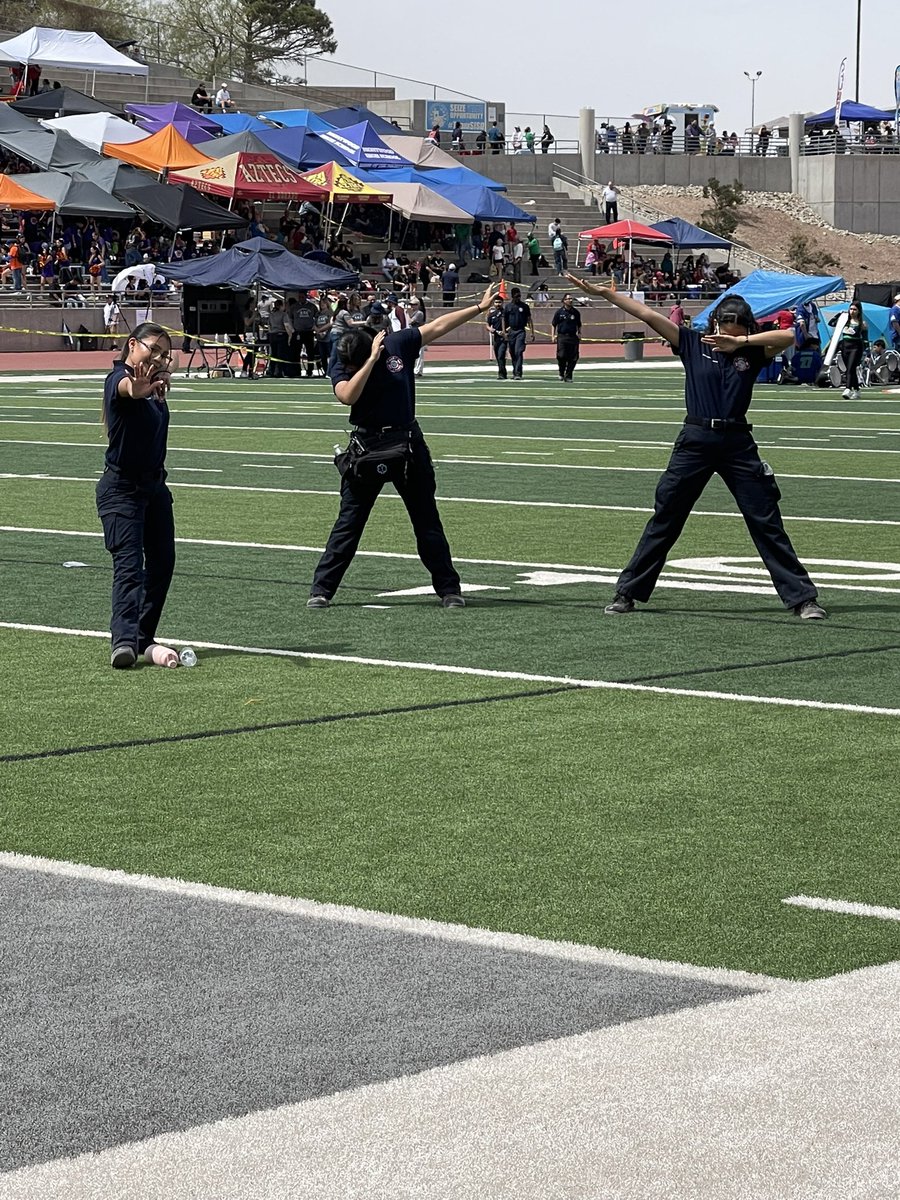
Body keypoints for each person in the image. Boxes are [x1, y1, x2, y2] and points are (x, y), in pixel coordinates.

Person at [563, 273, 826, 620]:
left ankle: (802, 598)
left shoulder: (753, 351)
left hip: (737, 442)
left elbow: (793, 335)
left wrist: (743, 342)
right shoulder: (692, 343)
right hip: (696, 440)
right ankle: (628, 592)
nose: (726, 330)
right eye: (723, 322)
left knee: (765, 519)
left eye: (735, 324)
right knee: (667, 516)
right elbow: (647, 316)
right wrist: (604, 294)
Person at [307, 282, 499, 610]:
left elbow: (438, 326)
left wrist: (479, 308)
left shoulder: (399, 344)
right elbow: (346, 395)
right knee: (349, 522)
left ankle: (449, 589)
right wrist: (367, 362)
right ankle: (322, 589)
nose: (347, 368)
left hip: (406, 442)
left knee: (426, 519)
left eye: (352, 364)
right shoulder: (347, 355)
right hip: (367, 445)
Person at [97, 322, 181, 669]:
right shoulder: (120, 379)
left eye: (165, 353)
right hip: (122, 491)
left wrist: (154, 389)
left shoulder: (155, 389)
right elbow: (127, 389)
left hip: (154, 489)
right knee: (129, 567)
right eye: (153, 349)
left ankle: (144, 635)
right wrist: (140, 386)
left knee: (163, 563)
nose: (158, 357)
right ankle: (124, 641)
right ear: (133, 345)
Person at [831, 300, 868, 399]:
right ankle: (857, 390)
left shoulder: (862, 323)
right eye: (851, 309)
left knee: (851, 368)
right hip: (845, 346)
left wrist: (866, 353)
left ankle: (847, 389)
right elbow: (831, 323)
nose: (852, 311)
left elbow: (865, 339)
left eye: (855, 309)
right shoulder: (844, 321)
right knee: (849, 369)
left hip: (856, 347)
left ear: (859, 311)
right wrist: (839, 315)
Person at [503, 286, 534, 380]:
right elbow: (504, 320)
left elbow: (529, 319)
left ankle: (518, 373)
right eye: (516, 296)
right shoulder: (508, 307)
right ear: (512, 296)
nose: (518, 298)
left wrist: (532, 332)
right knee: (512, 352)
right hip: (511, 331)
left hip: (520, 330)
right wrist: (504, 332)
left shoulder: (524, 306)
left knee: (518, 351)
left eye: (519, 296)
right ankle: (515, 370)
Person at [552, 293, 582, 382]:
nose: (570, 300)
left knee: (573, 357)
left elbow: (579, 324)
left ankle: (568, 375)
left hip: (572, 336)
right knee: (561, 356)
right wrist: (553, 335)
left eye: (571, 299)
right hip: (562, 336)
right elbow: (554, 324)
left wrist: (580, 333)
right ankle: (561, 372)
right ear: (564, 301)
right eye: (568, 299)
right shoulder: (559, 312)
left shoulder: (575, 312)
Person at [289, 288, 318, 378]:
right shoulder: (294, 307)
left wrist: (314, 326)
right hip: (297, 332)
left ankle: (310, 371)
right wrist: (292, 329)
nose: (300, 298)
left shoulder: (312, 306)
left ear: (306, 297)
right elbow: (290, 318)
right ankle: (296, 371)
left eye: (302, 297)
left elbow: (317, 317)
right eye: (299, 297)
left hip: (309, 332)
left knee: (310, 352)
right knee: (296, 352)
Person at [266, 299, 291, 377]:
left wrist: (271, 332)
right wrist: (290, 335)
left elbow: (269, 326)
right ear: (280, 306)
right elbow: (286, 325)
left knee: (273, 354)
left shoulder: (271, 315)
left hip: (272, 335)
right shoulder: (284, 314)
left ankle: (271, 370)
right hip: (281, 335)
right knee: (281, 354)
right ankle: (279, 371)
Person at [485, 294, 508, 379]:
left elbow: (511, 324)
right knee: (498, 356)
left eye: (499, 302)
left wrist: (505, 331)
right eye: (496, 302)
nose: (498, 304)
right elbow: (487, 325)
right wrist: (492, 330)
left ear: (502, 303)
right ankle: (503, 372)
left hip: (504, 337)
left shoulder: (506, 313)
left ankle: (501, 374)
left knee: (501, 355)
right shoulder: (492, 314)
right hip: (496, 338)